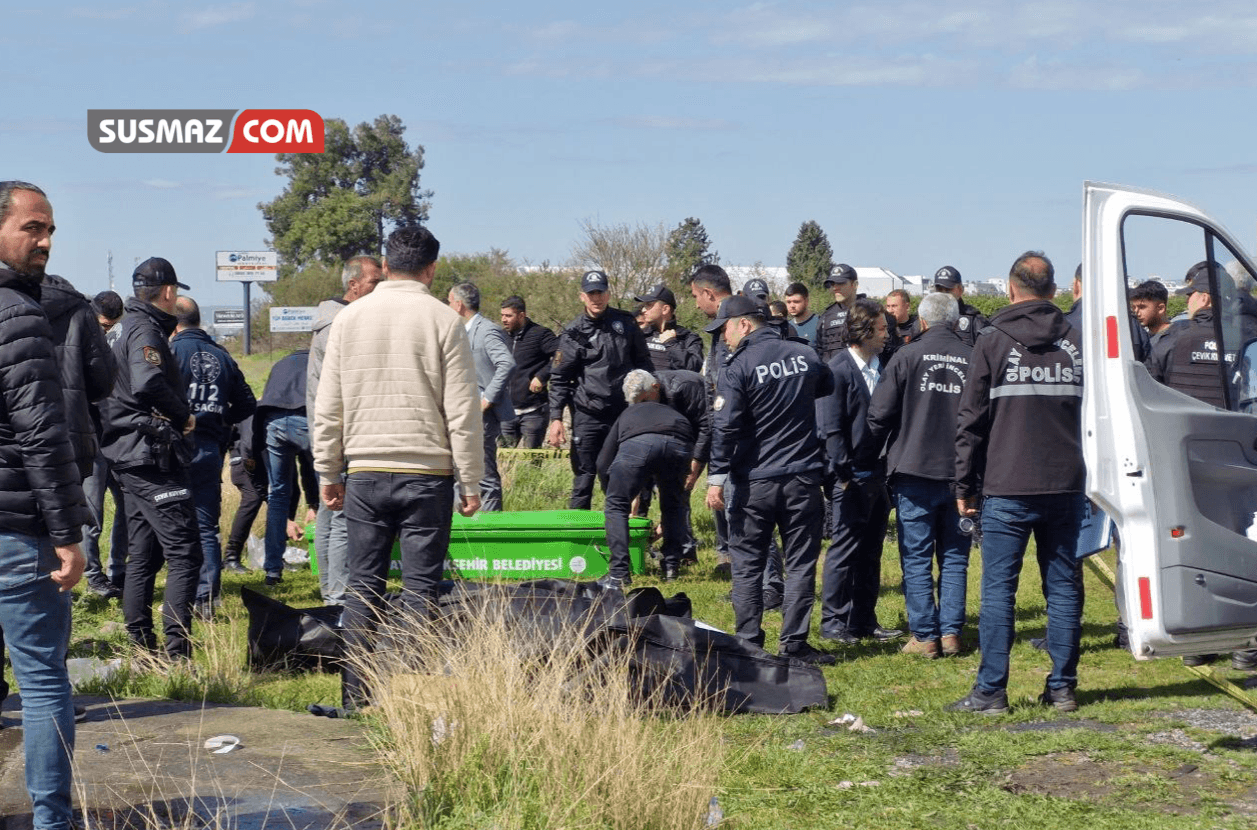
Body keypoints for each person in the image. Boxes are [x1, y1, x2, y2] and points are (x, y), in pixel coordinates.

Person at [314, 224, 482, 710]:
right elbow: (462, 410)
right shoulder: (445, 320)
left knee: (362, 587)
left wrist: (328, 471)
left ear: (386, 266)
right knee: (420, 589)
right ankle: (410, 697)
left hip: (364, 471)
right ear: (431, 269)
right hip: (427, 475)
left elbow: (329, 405)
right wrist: (470, 480)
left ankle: (357, 698)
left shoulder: (349, 318)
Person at [949, 251, 1085, 715]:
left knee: (998, 590)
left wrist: (963, 485)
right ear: (1053, 292)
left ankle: (991, 691)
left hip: (1006, 485)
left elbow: (971, 422)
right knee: (1064, 587)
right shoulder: (1078, 341)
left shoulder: (991, 341)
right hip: (1067, 483)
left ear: (1011, 289)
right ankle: (1063, 688)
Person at [0, 180, 90, 829]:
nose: (46, 241)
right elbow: (40, 429)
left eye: (49, 228)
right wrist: (66, 531)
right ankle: (52, 821)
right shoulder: (18, 313)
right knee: (42, 681)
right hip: (17, 528)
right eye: (33, 227)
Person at [705, 295, 836, 665]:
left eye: (724, 330)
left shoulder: (737, 366)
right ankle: (794, 644)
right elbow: (825, 385)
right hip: (802, 478)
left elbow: (725, 426)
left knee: (747, 564)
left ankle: (748, 644)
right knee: (799, 563)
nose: (723, 339)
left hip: (754, 482)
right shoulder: (805, 354)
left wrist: (715, 479)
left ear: (743, 325)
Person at [99, 256, 203, 659]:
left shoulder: (121, 326)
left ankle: (141, 647)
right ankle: (178, 655)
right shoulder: (145, 328)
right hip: (150, 456)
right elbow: (147, 382)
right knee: (184, 553)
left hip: (125, 454)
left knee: (142, 552)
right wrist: (184, 415)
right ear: (169, 292)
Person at [863, 293, 972, 657]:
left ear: (922, 322)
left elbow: (878, 415)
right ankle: (952, 632)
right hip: (961, 473)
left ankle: (926, 635)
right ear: (956, 322)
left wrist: (870, 456)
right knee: (955, 556)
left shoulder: (906, 356)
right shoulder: (973, 358)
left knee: (916, 555)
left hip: (914, 469)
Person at [817, 298, 902, 645]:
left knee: (871, 551)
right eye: (881, 329)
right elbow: (831, 428)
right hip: (850, 478)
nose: (886, 335)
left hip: (878, 475)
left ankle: (863, 620)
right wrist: (843, 475)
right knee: (843, 550)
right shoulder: (836, 370)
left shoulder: (882, 366)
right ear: (863, 331)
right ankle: (833, 622)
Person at [170, 296, 256, 617]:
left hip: (175, 447)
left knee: (173, 524)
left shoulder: (170, 352)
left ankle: (178, 594)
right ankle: (206, 599)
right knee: (206, 525)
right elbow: (247, 404)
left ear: (174, 323)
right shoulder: (222, 355)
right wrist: (220, 422)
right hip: (209, 448)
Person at [307, 255, 382, 604]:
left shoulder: (330, 318)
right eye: (374, 283)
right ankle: (338, 596)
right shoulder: (343, 323)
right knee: (341, 516)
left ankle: (330, 588)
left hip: (327, 430)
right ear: (353, 286)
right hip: (340, 432)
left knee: (328, 512)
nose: (380, 290)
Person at [546, 270, 653, 509]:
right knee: (584, 477)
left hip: (623, 414)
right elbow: (560, 378)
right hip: (587, 415)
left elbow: (644, 364)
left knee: (621, 474)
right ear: (582, 296)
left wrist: (646, 402)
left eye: (600, 292)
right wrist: (555, 419)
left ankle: (622, 535)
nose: (596, 298)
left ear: (608, 293)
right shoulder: (573, 332)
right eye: (591, 293)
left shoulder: (625, 323)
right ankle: (579, 540)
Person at [39, 275, 115, 600]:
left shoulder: (9, 302)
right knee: (74, 519)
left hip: (13, 446)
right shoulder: (77, 309)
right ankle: (70, 587)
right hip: (71, 437)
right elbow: (103, 380)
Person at [596, 370, 695, 586]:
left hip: (639, 444)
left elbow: (603, 461)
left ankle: (619, 572)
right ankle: (671, 567)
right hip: (681, 441)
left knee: (616, 505)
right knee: (673, 505)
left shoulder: (627, 415)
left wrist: (613, 489)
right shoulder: (671, 410)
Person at [449, 281, 515, 511]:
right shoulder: (460, 331)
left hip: (482, 416)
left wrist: (487, 399)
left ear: (458, 305)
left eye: (449, 302)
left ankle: (490, 530)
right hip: (462, 414)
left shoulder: (487, 330)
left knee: (484, 475)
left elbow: (506, 363)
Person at [256, 349, 317, 585]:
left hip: (273, 423)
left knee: (278, 495)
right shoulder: (318, 359)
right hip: (306, 418)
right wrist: (314, 501)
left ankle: (272, 569)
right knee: (333, 488)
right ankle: (329, 565)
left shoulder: (281, 363)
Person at [690, 264, 735, 578]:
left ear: (708, 293)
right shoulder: (718, 330)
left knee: (734, 500)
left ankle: (751, 578)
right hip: (722, 427)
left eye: (696, 296)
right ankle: (729, 558)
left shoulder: (737, 323)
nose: (695, 304)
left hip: (738, 431)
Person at [83, 292, 129, 598]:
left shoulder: (122, 342)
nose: (106, 331)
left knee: (127, 510)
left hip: (121, 439)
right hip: (93, 441)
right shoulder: (80, 342)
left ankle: (119, 571)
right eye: (103, 325)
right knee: (92, 515)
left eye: (111, 326)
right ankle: (92, 574)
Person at [499, 296, 558, 449]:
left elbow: (562, 355)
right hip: (505, 412)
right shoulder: (500, 336)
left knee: (532, 463)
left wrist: (542, 376)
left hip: (533, 412)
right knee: (504, 463)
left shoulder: (540, 334)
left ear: (521, 315)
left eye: (508, 316)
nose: (504, 320)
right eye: (502, 315)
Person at [635, 282, 703, 372]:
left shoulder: (688, 337)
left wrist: (671, 343)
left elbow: (693, 369)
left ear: (665, 309)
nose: (643, 310)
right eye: (644, 306)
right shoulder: (640, 335)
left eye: (649, 305)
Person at [932, 266, 988, 347]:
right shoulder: (925, 319)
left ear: (960, 289)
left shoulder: (975, 322)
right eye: (939, 289)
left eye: (948, 290)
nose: (943, 294)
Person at [816, 264, 860, 363]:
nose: (835, 288)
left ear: (855, 285)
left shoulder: (871, 311)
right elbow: (820, 350)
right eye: (833, 284)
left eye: (841, 283)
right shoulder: (826, 316)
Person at [1130, 279, 1173, 347]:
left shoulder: (1176, 338)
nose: (1137, 312)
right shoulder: (1143, 338)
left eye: (1142, 307)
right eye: (1133, 308)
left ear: (1161, 308)